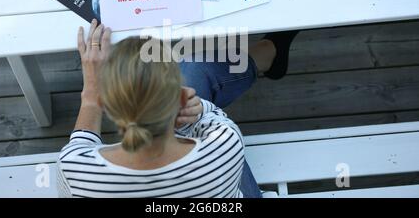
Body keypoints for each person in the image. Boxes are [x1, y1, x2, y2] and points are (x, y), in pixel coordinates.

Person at [57, 20, 298, 197]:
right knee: (191, 69)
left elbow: (82, 141)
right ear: (183, 97)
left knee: (191, 71)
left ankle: (268, 55)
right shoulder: (225, 146)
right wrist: (198, 107)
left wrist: (90, 92)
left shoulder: (75, 172)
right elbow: (208, 115)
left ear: (104, 105)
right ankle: (269, 53)